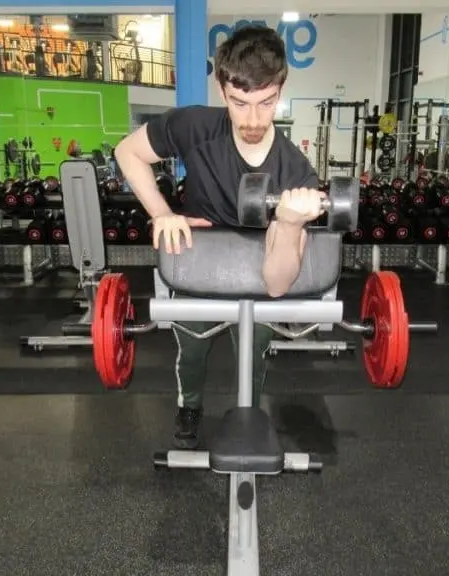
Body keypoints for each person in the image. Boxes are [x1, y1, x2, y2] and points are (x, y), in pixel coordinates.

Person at [113, 25, 325, 449]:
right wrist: (162, 214)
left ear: (281, 90)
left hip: (260, 269)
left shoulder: (296, 172)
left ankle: (249, 411)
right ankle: (189, 405)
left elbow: (279, 283)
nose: (252, 119)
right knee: (191, 349)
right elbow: (127, 153)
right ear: (221, 88)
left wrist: (288, 223)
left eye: (266, 103)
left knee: (254, 352)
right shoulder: (195, 126)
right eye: (239, 103)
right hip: (197, 260)